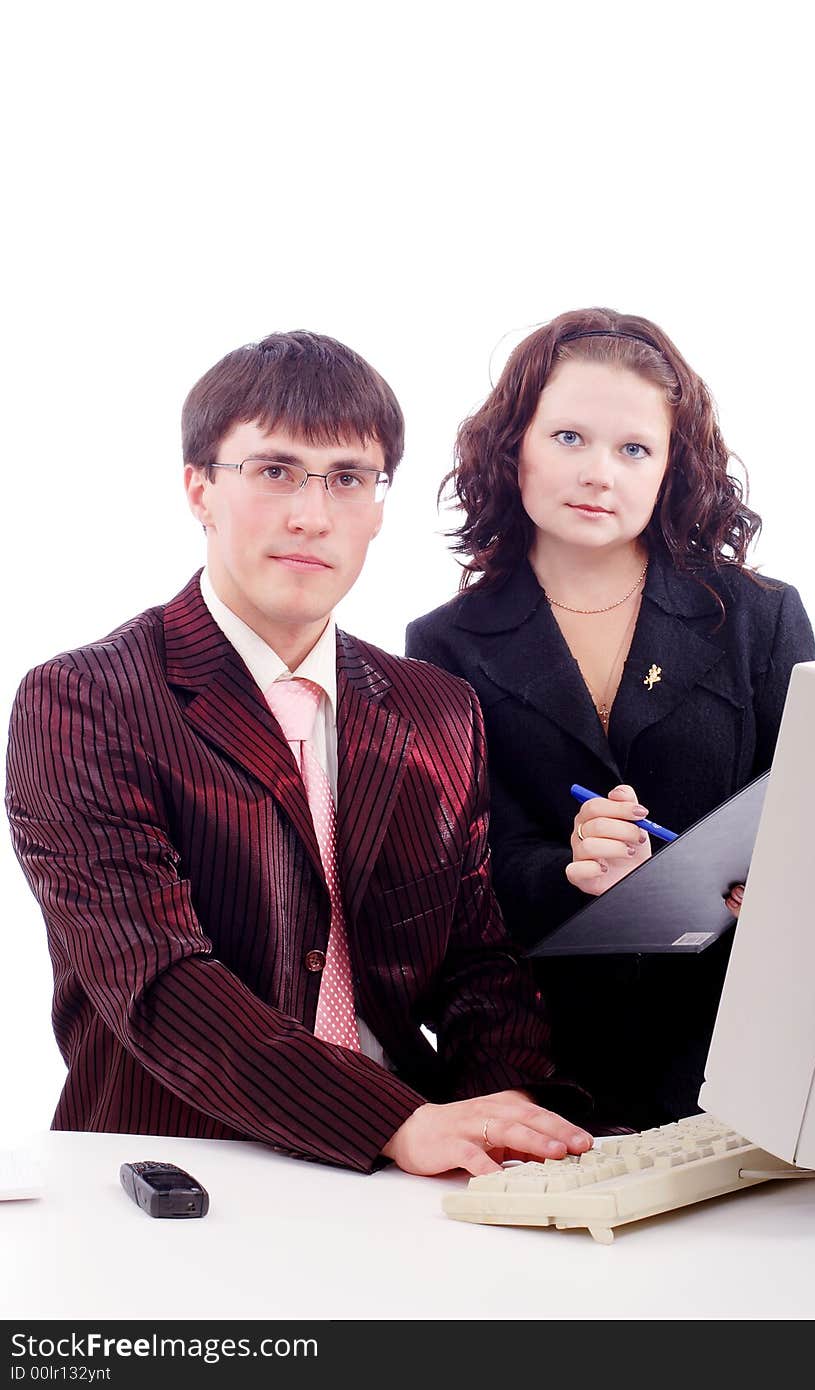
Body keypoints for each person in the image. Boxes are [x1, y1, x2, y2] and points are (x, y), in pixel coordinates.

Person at [5, 329, 595, 1178]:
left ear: (380, 508)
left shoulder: (435, 709)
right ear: (199, 489)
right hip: (178, 1168)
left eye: (348, 478)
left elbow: (479, 962)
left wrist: (504, 1123)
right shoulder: (84, 700)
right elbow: (160, 982)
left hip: (407, 1177)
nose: (312, 515)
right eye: (275, 471)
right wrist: (397, 1122)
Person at [406, 307, 815, 1130]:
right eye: (568, 438)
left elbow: (813, 820)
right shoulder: (443, 644)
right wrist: (568, 869)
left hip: (736, 1052)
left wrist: (783, 883)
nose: (601, 473)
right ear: (512, 444)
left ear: (671, 468)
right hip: (541, 1061)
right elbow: (461, 876)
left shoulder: (756, 617)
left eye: (634, 449)